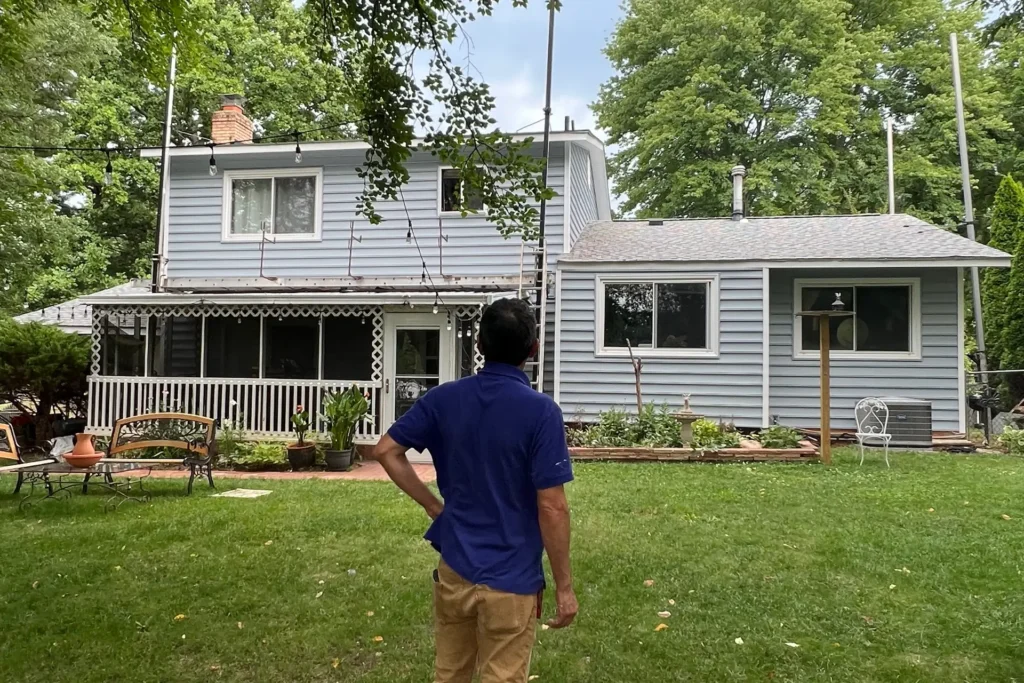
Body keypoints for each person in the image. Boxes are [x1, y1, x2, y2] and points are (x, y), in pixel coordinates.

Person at [372, 297, 577, 683]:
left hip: (456, 569)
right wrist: (565, 587)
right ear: (533, 350)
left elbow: (385, 450)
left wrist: (435, 507)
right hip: (513, 580)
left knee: (449, 674)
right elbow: (552, 507)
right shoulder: (541, 412)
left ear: (479, 345)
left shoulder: (444, 399)